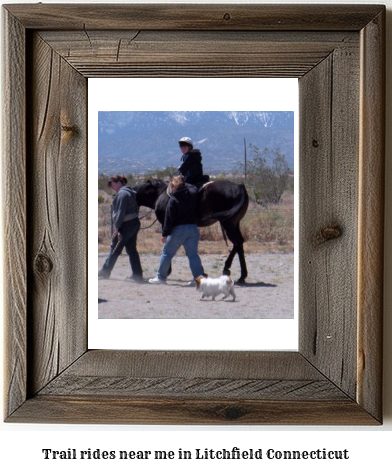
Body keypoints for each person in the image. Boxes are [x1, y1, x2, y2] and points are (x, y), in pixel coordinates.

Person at [149, 175, 205, 284]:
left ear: (174, 187)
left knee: (166, 253)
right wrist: (183, 182)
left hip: (179, 231)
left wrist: (164, 234)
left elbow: (168, 219)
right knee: (193, 255)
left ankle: (161, 278)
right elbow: (193, 187)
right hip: (193, 229)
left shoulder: (173, 199)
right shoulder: (192, 194)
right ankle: (198, 279)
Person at [98, 175, 143, 282]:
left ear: (119, 182)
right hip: (133, 223)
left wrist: (117, 227)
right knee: (132, 250)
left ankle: (105, 272)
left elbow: (120, 212)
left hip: (125, 225)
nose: (113, 187)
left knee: (115, 249)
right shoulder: (130, 192)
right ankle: (137, 275)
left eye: (113, 185)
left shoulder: (122, 194)